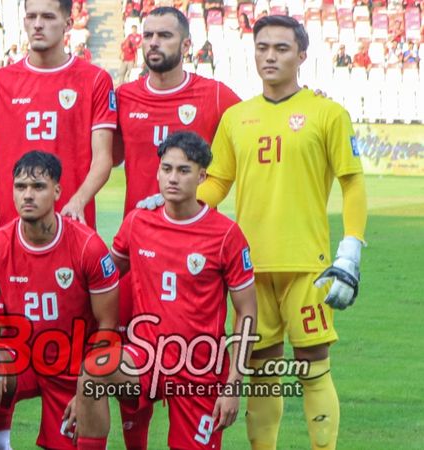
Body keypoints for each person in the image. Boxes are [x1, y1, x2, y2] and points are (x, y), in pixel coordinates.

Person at [201, 16, 367, 450]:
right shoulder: (236, 117)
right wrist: (173, 203)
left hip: (307, 265)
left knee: (313, 363)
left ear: (302, 56)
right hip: (249, 268)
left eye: (281, 48)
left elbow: (352, 180)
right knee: (261, 368)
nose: (270, 56)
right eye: (262, 47)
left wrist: (350, 248)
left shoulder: (327, 113)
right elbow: (218, 182)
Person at [74, 131, 257, 450]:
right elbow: (104, 278)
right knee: (93, 374)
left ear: (202, 176)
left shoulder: (226, 235)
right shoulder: (137, 223)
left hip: (200, 369)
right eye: (166, 169)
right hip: (144, 358)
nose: (173, 178)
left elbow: (247, 312)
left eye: (183, 170)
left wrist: (233, 386)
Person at [0, 151, 119, 450]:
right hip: (20, 358)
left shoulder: (88, 247)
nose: (28, 195)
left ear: (57, 191)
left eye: (38, 187)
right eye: (20, 187)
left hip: (71, 366)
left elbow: (108, 323)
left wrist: (88, 386)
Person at [0, 0, 117, 233]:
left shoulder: (95, 80)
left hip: (70, 222)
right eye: (32, 17)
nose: (38, 25)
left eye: (48, 17)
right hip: (10, 226)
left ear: (68, 24)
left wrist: (79, 200)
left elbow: (103, 158)